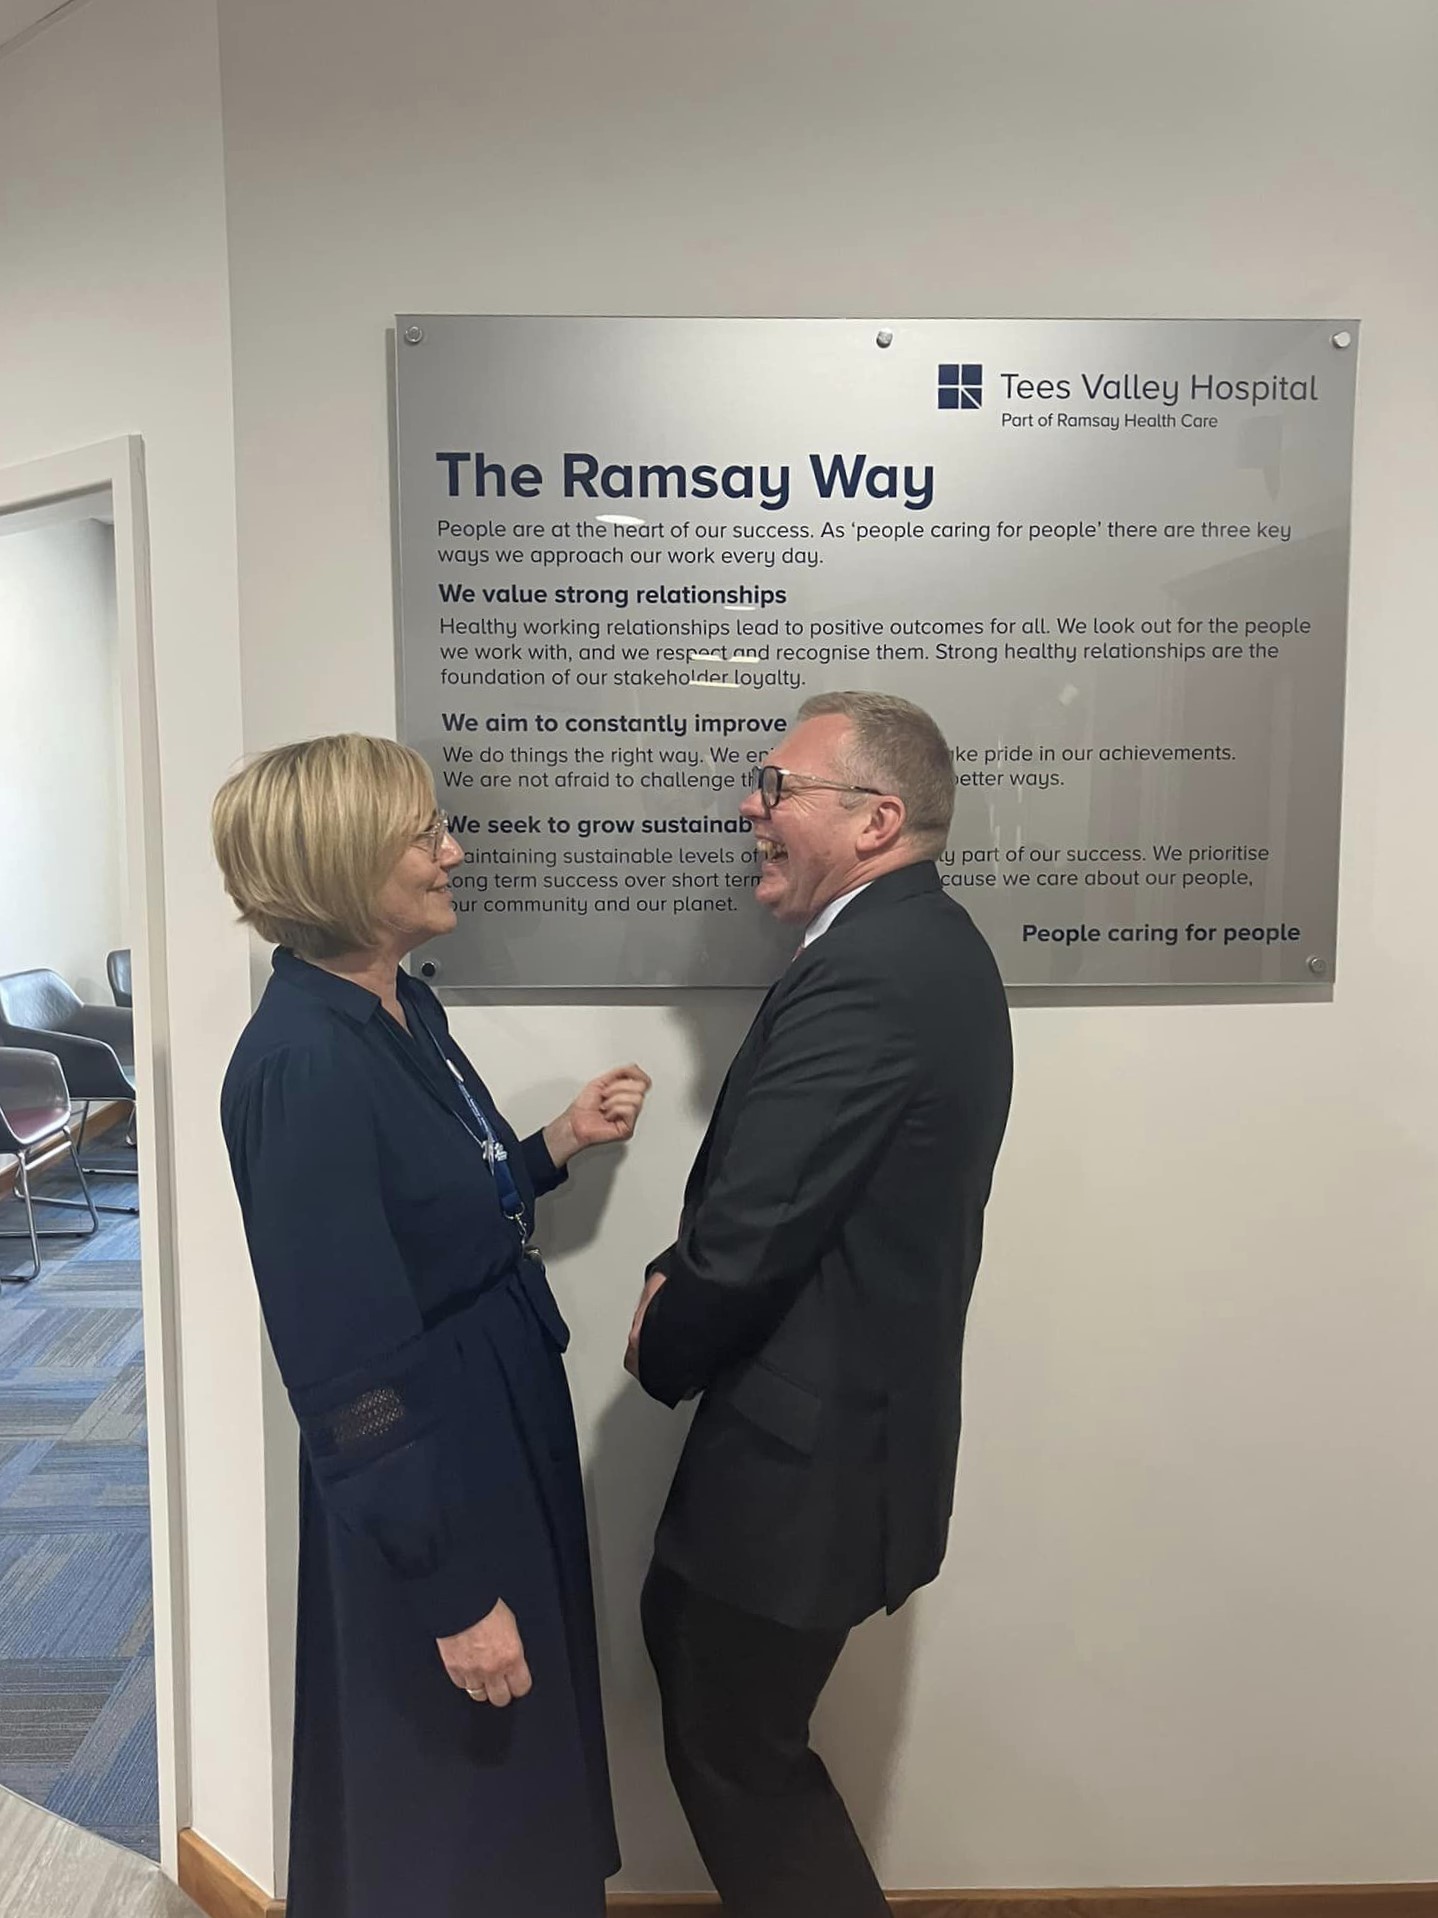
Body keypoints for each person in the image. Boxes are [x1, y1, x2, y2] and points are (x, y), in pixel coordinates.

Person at [212, 734, 650, 1918]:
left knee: (510, 1786)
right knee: (453, 1797)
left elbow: (435, 1204)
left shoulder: (396, 1009)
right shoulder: (300, 1065)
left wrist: (550, 1149)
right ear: (346, 860)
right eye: (425, 834)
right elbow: (343, 1357)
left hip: (489, 1422)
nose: (453, 851)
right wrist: (448, 1589)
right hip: (429, 1464)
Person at [628, 691, 1012, 1918]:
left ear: (875, 819)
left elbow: (750, 1236)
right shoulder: (919, 945)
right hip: (839, 1443)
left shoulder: (873, 971)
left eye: (778, 785)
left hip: (811, 1466)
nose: (752, 804)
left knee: (739, 1752)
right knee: (727, 1719)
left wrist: (661, 1328)